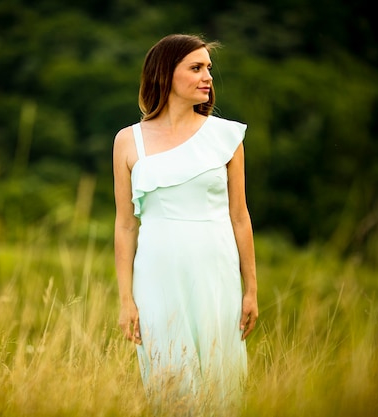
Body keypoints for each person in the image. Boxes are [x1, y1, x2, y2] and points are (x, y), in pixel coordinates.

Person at [113, 34, 259, 415]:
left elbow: (240, 217)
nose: (207, 76)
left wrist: (251, 290)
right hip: (157, 275)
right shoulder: (129, 142)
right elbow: (126, 226)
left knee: (220, 382)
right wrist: (126, 299)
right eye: (196, 68)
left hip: (215, 270)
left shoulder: (226, 137)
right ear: (166, 74)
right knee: (169, 385)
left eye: (208, 68)